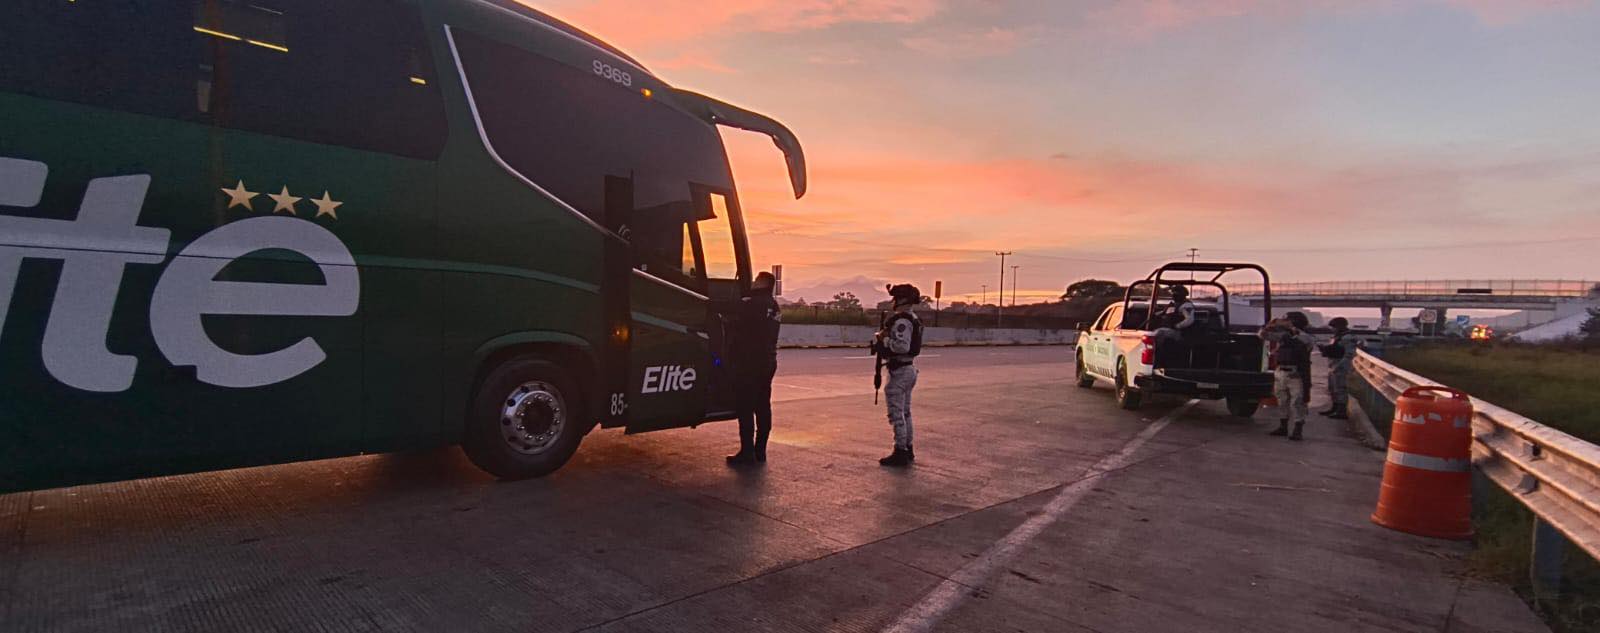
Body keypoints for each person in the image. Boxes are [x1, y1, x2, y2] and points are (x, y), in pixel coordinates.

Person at [726, 272, 782, 465]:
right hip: (768, 361)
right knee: (763, 406)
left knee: (745, 407)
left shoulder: (751, 304)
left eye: (757, 280)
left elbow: (735, 324)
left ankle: (747, 452)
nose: (753, 282)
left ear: (763, 283)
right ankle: (760, 451)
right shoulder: (774, 306)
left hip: (749, 362)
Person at [873, 283, 924, 467]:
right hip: (907, 369)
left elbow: (902, 346)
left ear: (903, 299)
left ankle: (900, 450)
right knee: (906, 412)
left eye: (896, 297)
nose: (893, 301)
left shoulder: (903, 321)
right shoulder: (912, 318)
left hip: (900, 371)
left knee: (896, 414)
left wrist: (884, 339)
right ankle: (907, 448)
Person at [1260, 311, 1314, 440]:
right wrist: (1269, 326)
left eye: (1287, 320)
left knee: (1297, 402)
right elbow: (1262, 335)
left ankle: (1297, 429)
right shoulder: (1285, 335)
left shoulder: (1305, 337)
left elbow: (1296, 343)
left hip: (1296, 373)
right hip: (1281, 371)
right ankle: (1283, 427)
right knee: (1282, 400)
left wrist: (1288, 331)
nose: (1285, 322)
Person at [1319, 317, 1359, 419]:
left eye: (1334, 327)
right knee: (1333, 388)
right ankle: (1335, 408)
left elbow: (1349, 355)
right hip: (1333, 364)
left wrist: (1340, 366)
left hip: (1340, 366)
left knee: (1340, 389)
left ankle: (1341, 411)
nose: (1333, 329)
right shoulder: (1338, 337)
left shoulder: (1348, 337)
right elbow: (1334, 349)